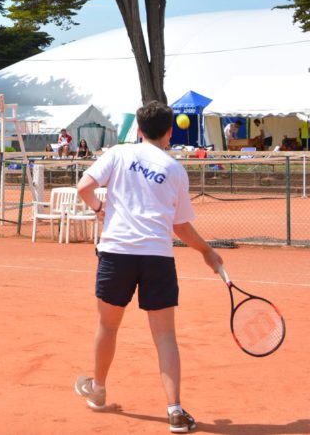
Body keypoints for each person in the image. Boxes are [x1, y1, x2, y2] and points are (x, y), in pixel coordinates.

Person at [73, 101, 222, 434]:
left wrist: (99, 207)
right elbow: (181, 227)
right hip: (157, 256)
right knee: (165, 336)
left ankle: (98, 391)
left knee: (107, 326)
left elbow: (83, 187)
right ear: (170, 132)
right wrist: (207, 252)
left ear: (138, 130)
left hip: (117, 253)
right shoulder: (175, 170)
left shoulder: (118, 153)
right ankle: (175, 411)